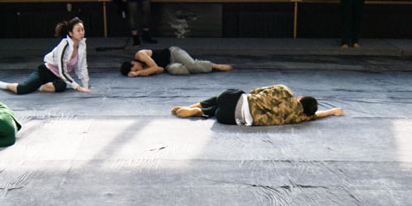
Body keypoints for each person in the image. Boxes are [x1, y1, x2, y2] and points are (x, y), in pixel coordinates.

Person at [0, 18, 91, 95]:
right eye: (78, 30)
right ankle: (5, 85)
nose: (82, 32)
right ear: (70, 33)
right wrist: (78, 87)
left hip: (58, 77)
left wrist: (85, 86)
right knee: (22, 89)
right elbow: (62, 70)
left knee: (62, 86)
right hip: (45, 72)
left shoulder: (82, 45)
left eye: (83, 30)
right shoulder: (64, 45)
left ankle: (41, 87)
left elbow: (82, 66)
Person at [171, 84, 344, 126]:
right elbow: (315, 116)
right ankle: (203, 112)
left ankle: (198, 105)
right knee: (219, 110)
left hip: (236, 99)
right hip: (232, 118)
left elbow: (258, 91)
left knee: (225, 97)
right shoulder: (297, 118)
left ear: (300, 97)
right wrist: (332, 111)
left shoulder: (285, 90)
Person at [120, 46, 232, 77]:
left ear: (133, 63)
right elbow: (160, 69)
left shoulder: (140, 55)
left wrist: (139, 73)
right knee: (178, 70)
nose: (138, 70)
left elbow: (154, 67)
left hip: (173, 53)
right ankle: (198, 67)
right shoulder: (143, 69)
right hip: (169, 64)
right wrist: (144, 72)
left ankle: (216, 66)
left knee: (191, 65)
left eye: (136, 69)